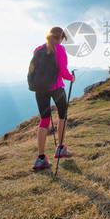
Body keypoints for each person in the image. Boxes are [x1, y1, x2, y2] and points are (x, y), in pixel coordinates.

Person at [32, 27, 75, 170]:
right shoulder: (60, 50)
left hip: (40, 89)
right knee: (62, 115)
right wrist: (71, 78)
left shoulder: (38, 49)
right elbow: (63, 71)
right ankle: (60, 149)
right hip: (56, 88)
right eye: (62, 39)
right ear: (60, 37)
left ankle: (40, 158)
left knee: (44, 119)